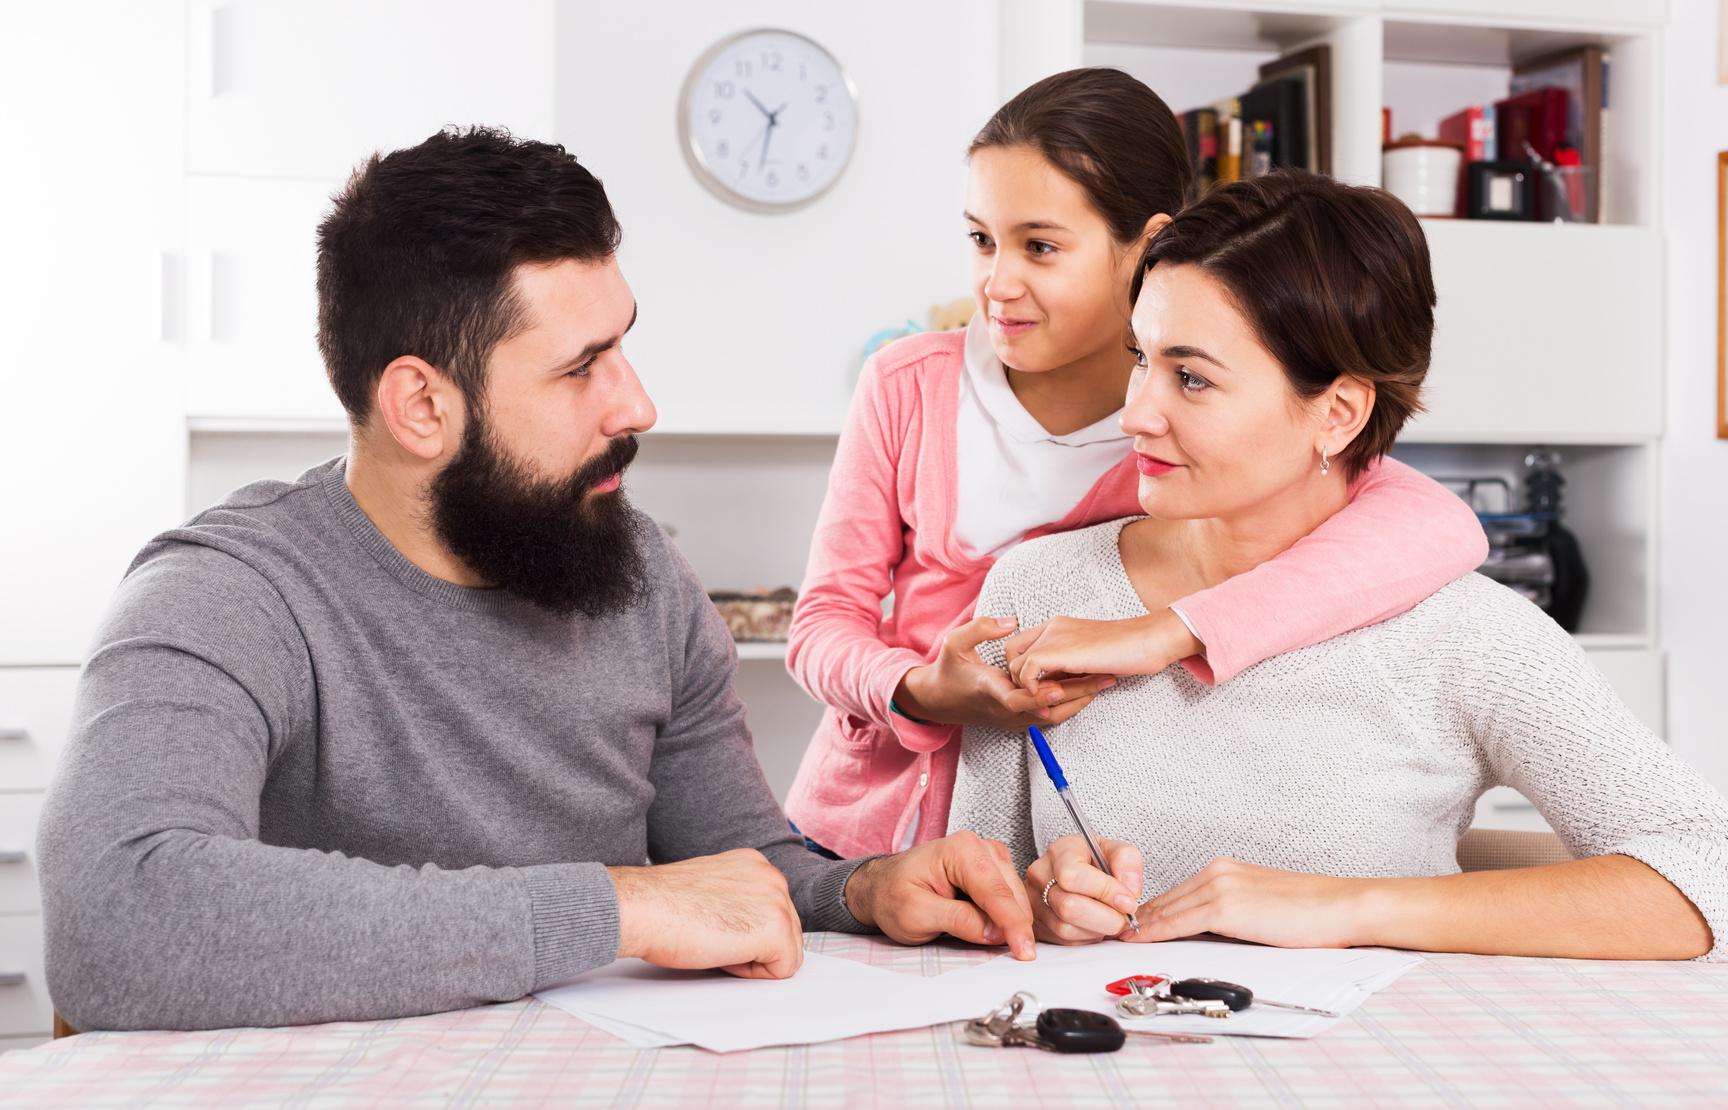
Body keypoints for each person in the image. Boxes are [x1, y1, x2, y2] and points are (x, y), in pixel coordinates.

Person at [36, 128, 1038, 1033]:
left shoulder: (643, 577)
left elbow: (738, 868)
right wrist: (616, 906)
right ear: (421, 407)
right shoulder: (226, 594)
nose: (637, 405)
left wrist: (865, 890)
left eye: (624, 344)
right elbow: (117, 917)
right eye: (579, 367)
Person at [950, 170, 1728, 961]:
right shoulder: (1038, 590)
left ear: (1338, 414)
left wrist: (1347, 907)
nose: (1136, 413)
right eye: (1140, 358)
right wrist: (1038, 904)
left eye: (1191, 377)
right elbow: (977, 885)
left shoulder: (1465, 635)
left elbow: (1712, 876)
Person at [783, 68, 1488, 860]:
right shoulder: (906, 384)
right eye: (981, 240)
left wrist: (1164, 633)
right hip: (855, 832)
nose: (997, 284)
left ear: (1148, 244)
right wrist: (917, 689)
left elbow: (1436, 526)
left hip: (1052, 848)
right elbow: (822, 623)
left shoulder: (1188, 429)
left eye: (1040, 247)